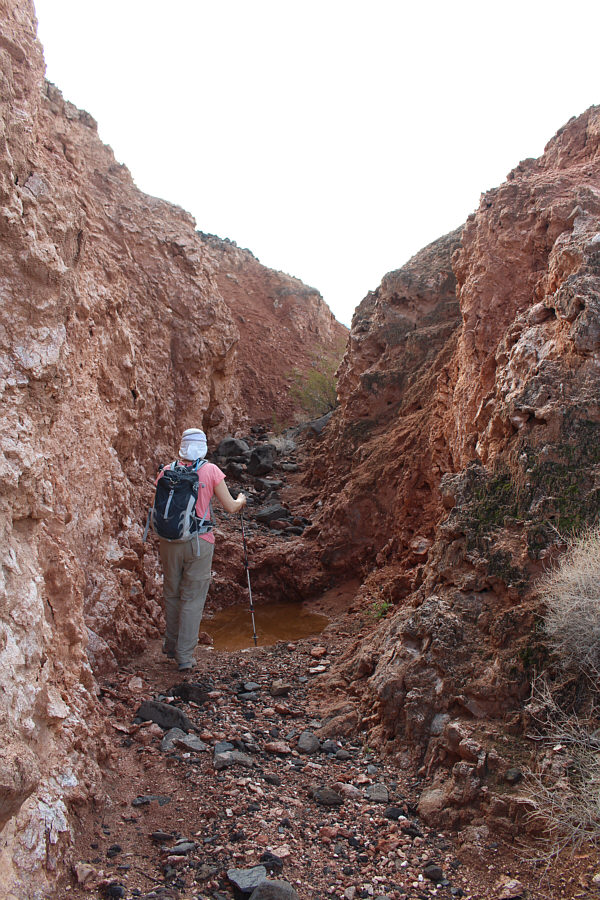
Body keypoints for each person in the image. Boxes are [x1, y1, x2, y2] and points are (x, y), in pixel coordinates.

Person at [157, 427, 246, 671]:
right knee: (192, 598)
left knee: (172, 594)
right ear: (203, 447)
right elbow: (230, 507)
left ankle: (171, 646)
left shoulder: (166, 470)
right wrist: (241, 500)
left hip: (169, 542)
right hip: (199, 542)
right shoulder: (210, 470)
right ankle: (185, 657)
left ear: (182, 446)